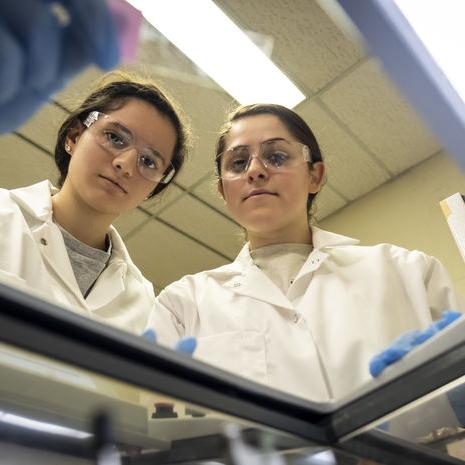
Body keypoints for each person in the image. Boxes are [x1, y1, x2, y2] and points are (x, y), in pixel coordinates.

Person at [149, 103, 463, 402]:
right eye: (238, 163)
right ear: (223, 191)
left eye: (276, 156)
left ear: (315, 175)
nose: (255, 170)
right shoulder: (183, 304)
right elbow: (166, 427)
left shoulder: (407, 271)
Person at [0, 71, 190, 337]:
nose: (125, 165)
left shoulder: (143, 303)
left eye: (148, 162)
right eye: (115, 138)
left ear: (153, 189)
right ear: (74, 137)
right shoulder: (4, 215)